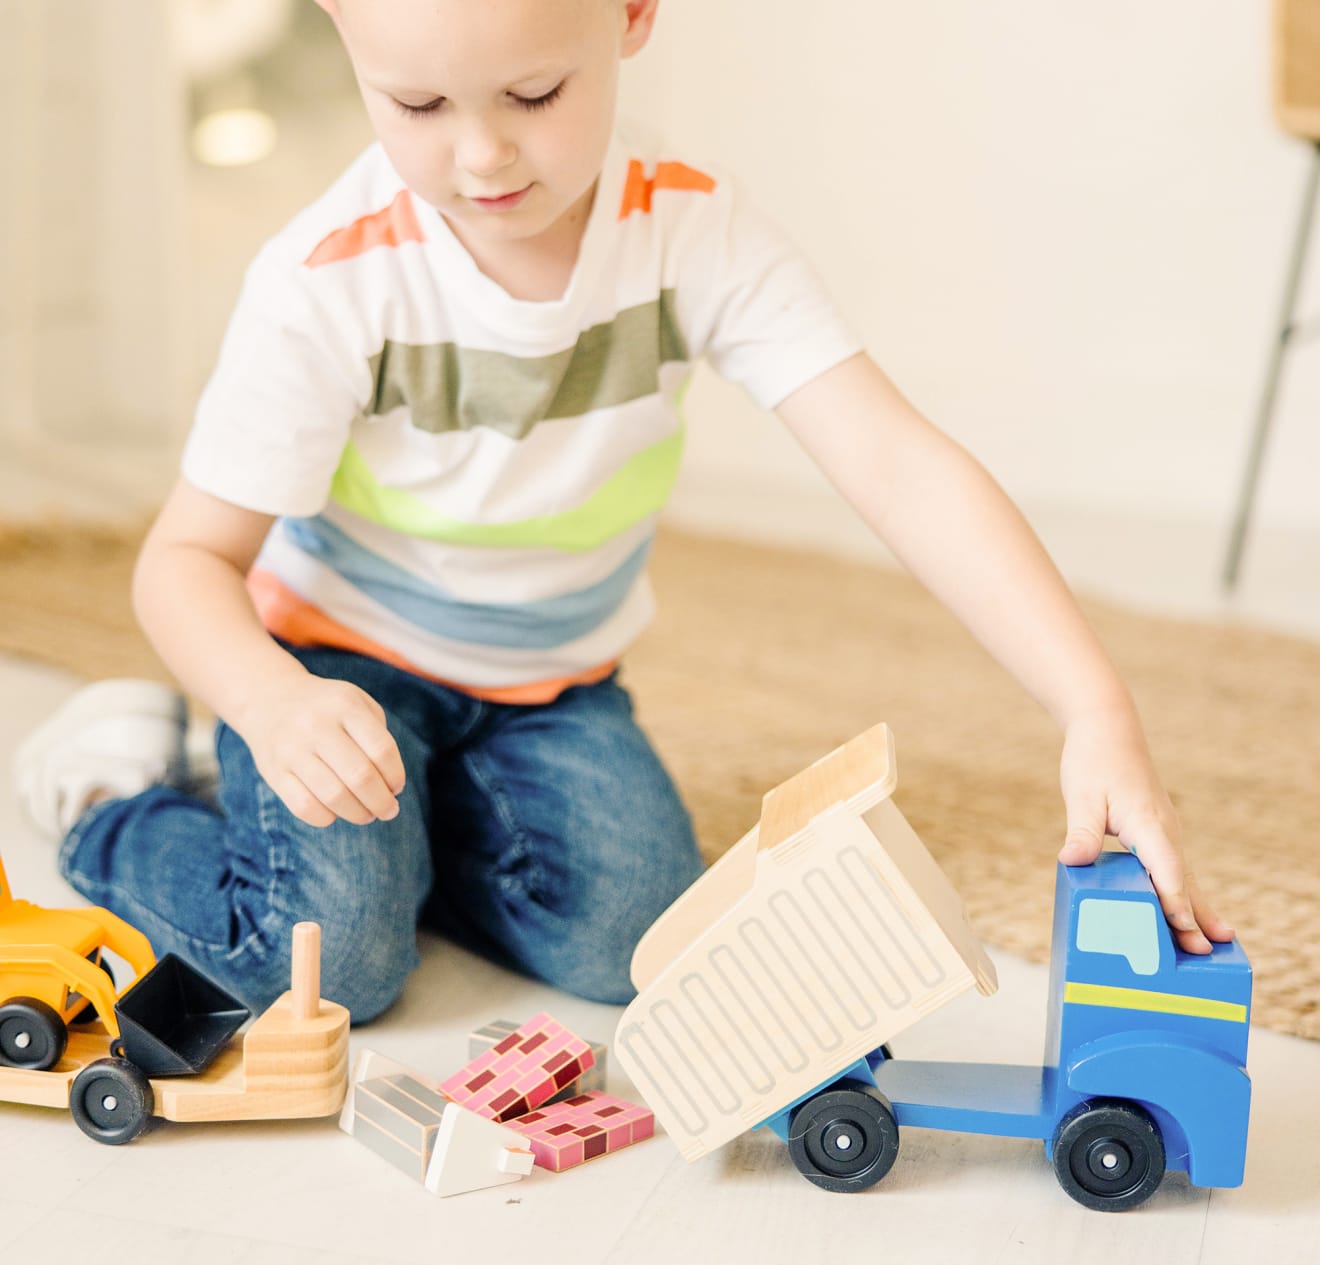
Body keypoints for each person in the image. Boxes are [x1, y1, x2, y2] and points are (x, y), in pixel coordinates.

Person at [15, 0, 1232, 1023]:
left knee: (640, 951)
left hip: (552, 687)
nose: (482, 157)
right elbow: (183, 561)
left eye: (535, 93)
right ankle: (113, 796)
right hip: (335, 675)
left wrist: (1093, 704)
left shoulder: (692, 227)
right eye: (419, 108)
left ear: (633, 13)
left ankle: (409, 843)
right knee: (332, 966)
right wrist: (268, 699)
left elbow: (896, 464)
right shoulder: (327, 275)